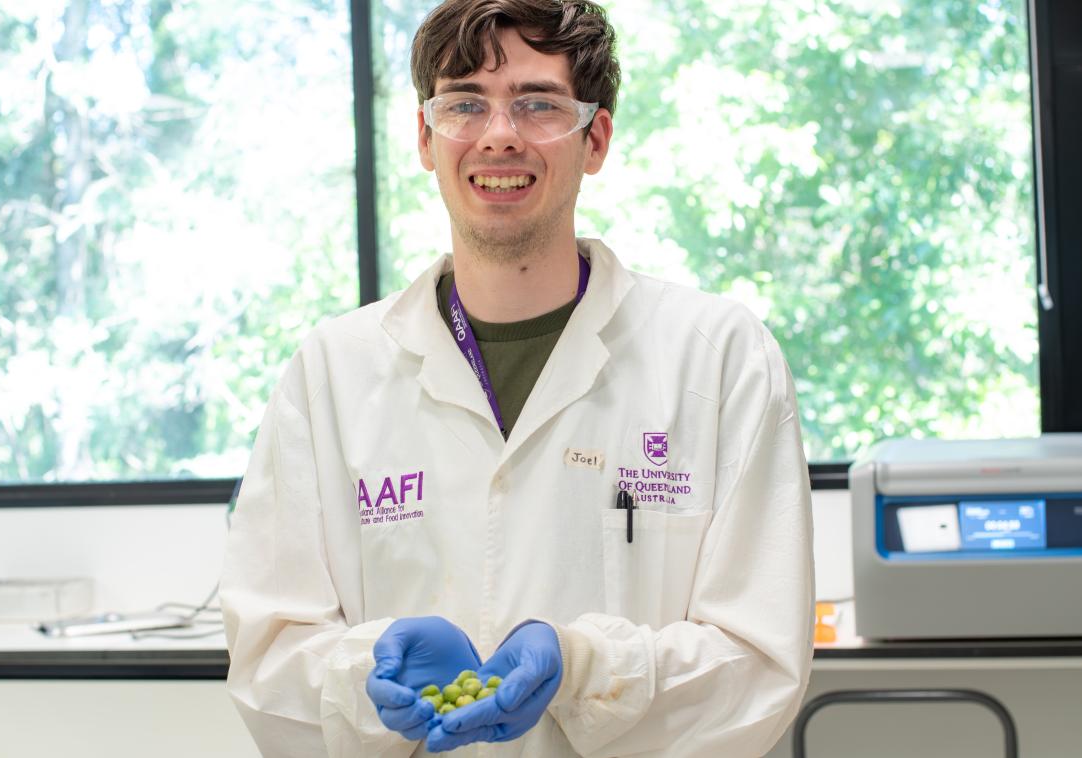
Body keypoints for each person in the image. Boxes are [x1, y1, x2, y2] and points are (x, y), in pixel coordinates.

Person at [220, 0, 815, 755]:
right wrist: (366, 672)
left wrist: (585, 668)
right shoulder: (332, 372)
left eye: (538, 104)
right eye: (465, 103)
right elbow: (269, 656)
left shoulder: (719, 357)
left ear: (595, 138)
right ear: (425, 137)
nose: (499, 134)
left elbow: (760, 662)